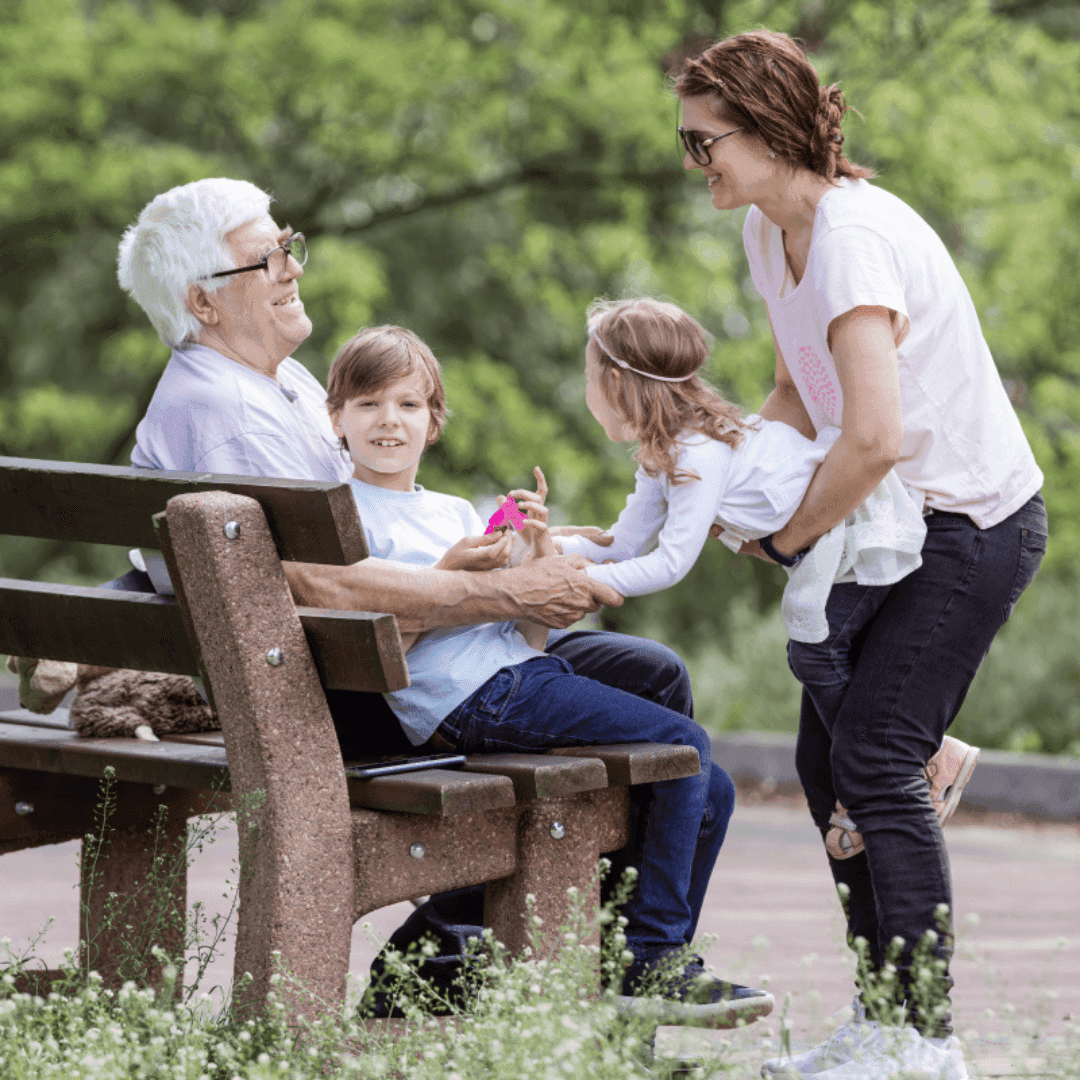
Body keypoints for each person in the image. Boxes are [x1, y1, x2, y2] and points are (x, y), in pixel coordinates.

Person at [112, 176, 766, 1025]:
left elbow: (380, 540)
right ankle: (566, 958)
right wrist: (498, 587)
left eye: (286, 246)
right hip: (361, 689)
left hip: (411, 657)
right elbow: (325, 585)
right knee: (678, 754)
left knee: (658, 684)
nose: (290, 266)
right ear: (204, 300)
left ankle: (591, 953)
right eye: (265, 257)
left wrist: (518, 561)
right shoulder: (229, 413)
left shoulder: (272, 384)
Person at [673, 29, 1046, 1079]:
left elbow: (874, 438)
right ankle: (884, 1023)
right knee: (826, 759)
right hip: (891, 527)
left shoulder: (852, 240)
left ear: (768, 131)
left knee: (875, 756)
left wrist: (786, 536)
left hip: (968, 525)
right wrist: (727, 480)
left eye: (704, 142)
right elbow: (798, 390)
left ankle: (927, 1040)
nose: (694, 163)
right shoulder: (771, 232)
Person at [322, 323, 771, 1022]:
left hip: (516, 677)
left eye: (408, 405)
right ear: (336, 419)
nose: (389, 421)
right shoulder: (344, 517)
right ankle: (652, 963)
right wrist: (446, 578)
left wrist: (535, 565)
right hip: (465, 701)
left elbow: (520, 633)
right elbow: (372, 653)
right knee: (684, 746)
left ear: (434, 422)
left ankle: (630, 973)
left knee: (709, 787)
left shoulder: (451, 510)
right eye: (368, 405)